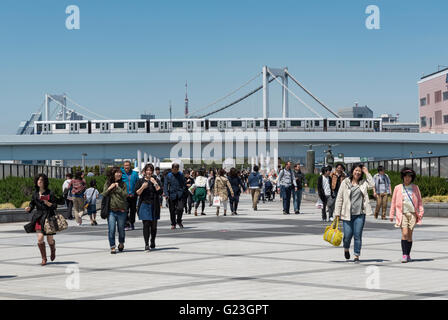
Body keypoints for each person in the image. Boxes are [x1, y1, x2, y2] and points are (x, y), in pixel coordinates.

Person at [334, 164, 374, 263]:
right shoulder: (345, 182)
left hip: (360, 214)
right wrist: (337, 213)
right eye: (356, 170)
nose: (358, 172)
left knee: (357, 235)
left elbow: (372, 184)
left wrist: (367, 172)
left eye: (359, 171)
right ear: (352, 171)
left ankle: (356, 255)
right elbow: (339, 198)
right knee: (347, 236)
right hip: (347, 214)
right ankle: (346, 248)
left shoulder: (363, 183)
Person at [389, 168, 424, 263]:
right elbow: (393, 202)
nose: (407, 178)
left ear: (412, 178)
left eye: (409, 176)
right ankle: (404, 255)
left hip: (412, 214)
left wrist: (421, 212)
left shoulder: (415, 187)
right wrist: (391, 214)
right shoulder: (398, 187)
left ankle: (408, 255)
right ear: (403, 177)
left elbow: (420, 201)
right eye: (405, 176)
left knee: (409, 235)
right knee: (404, 234)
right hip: (402, 213)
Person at [24, 174, 58, 266]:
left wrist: (48, 203)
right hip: (39, 217)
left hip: (48, 218)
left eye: (42, 180)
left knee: (50, 240)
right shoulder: (35, 194)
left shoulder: (49, 193)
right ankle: (44, 258)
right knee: (40, 238)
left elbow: (55, 206)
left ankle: (53, 249)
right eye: (38, 180)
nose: (39, 181)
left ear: (45, 182)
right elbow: (32, 204)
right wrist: (29, 208)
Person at [135, 164, 163, 252]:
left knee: (153, 226)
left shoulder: (156, 180)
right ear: (144, 171)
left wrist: (155, 183)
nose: (149, 172)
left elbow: (160, 192)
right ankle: (146, 244)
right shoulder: (140, 181)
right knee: (146, 225)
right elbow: (137, 193)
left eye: (151, 170)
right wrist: (143, 187)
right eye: (147, 170)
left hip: (154, 205)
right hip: (144, 204)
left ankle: (152, 240)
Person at [103, 167, 128, 254]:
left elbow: (125, 195)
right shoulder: (107, 183)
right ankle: (112, 246)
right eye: (117, 172)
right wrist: (110, 188)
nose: (119, 174)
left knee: (121, 229)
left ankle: (121, 243)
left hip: (121, 211)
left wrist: (118, 188)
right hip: (111, 211)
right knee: (111, 229)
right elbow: (104, 194)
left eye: (120, 173)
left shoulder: (123, 184)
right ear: (113, 174)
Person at [163, 163, 185, 229]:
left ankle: (179, 220)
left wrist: (182, 191)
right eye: (174, 169)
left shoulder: (181, 175)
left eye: (177, 169)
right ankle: (173, 223)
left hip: (179, 194)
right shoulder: (168, 176)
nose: (175, 170)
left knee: (181, 208)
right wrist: (166, 194)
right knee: (172, 210)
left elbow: (184, 183)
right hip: (171, 195)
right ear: (172, 169)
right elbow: (165, 185)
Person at [121, 161, 139, 231]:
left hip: (133, 196)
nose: (126, 167)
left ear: (130, 166)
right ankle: (126, 224)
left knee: (133, 211)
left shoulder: (134, 173)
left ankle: (132, 223)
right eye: (125, 165)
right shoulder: (121, 173)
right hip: (125, 196)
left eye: (128, 165)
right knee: (125, 211)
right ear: (123, 166)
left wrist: (135, 192)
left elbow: (137, 183)